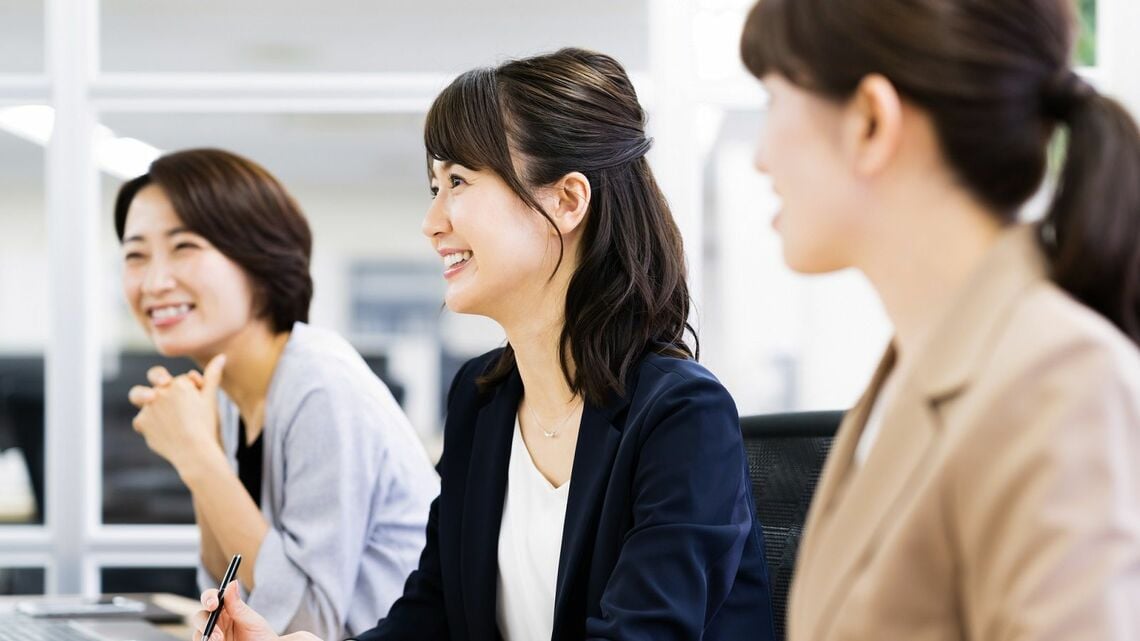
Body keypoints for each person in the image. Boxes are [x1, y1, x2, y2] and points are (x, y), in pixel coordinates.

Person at [190, 48, 777, 641]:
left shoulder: (680, 416)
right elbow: (430, 617)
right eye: (434, 186)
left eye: (459, 182)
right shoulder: (482, 400)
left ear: (568, 200)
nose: (432, 220)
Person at [739, 0, 1140, 639]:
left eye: (773, 100)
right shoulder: (907, 373)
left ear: (871, 120)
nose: (761, 157)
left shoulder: (1060, 381)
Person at [116, 148, 439, 640]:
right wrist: (202, 455)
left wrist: (198, 457)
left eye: (184, 247)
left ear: (257, 257)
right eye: (136, 255)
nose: (156, 281)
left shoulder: (319, 385)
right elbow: (226, 595)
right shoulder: (230, 393)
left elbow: (304, 625)